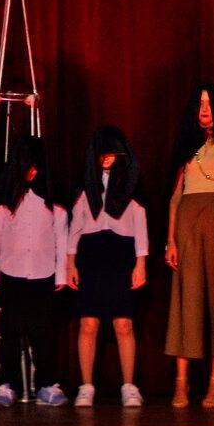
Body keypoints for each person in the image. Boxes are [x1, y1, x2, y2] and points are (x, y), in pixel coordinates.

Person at [164, 85, 214, 408]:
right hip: (187, 225)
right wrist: (170, 240)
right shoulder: (186, 145)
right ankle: (181, 382)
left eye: (209, 103)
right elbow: (174, 197)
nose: (204, 109)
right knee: (187, 298)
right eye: (200, 103)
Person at [0, 136, 71, 408]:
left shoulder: (53, 205)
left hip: (43, 277)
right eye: (26, 165)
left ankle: (46, 384)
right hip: (12, 276)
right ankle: (8, 384)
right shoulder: (4, 206)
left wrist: (61, 275)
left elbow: (61, 242)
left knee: (42, 333)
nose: (31, 171)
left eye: (35, 166)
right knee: (10, 333)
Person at [66, 126, 149, 408]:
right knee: (88, 322)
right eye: (103, 151)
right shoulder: (85, 184)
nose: (107, 156)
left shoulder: (130, 182)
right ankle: (86, 386)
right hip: (91, 253)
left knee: (123, 323)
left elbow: (140, 224)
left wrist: (140, 263)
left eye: (113, 151)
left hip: (121, 252)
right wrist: (70, 262)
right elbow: (75, 226)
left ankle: (129, 386)